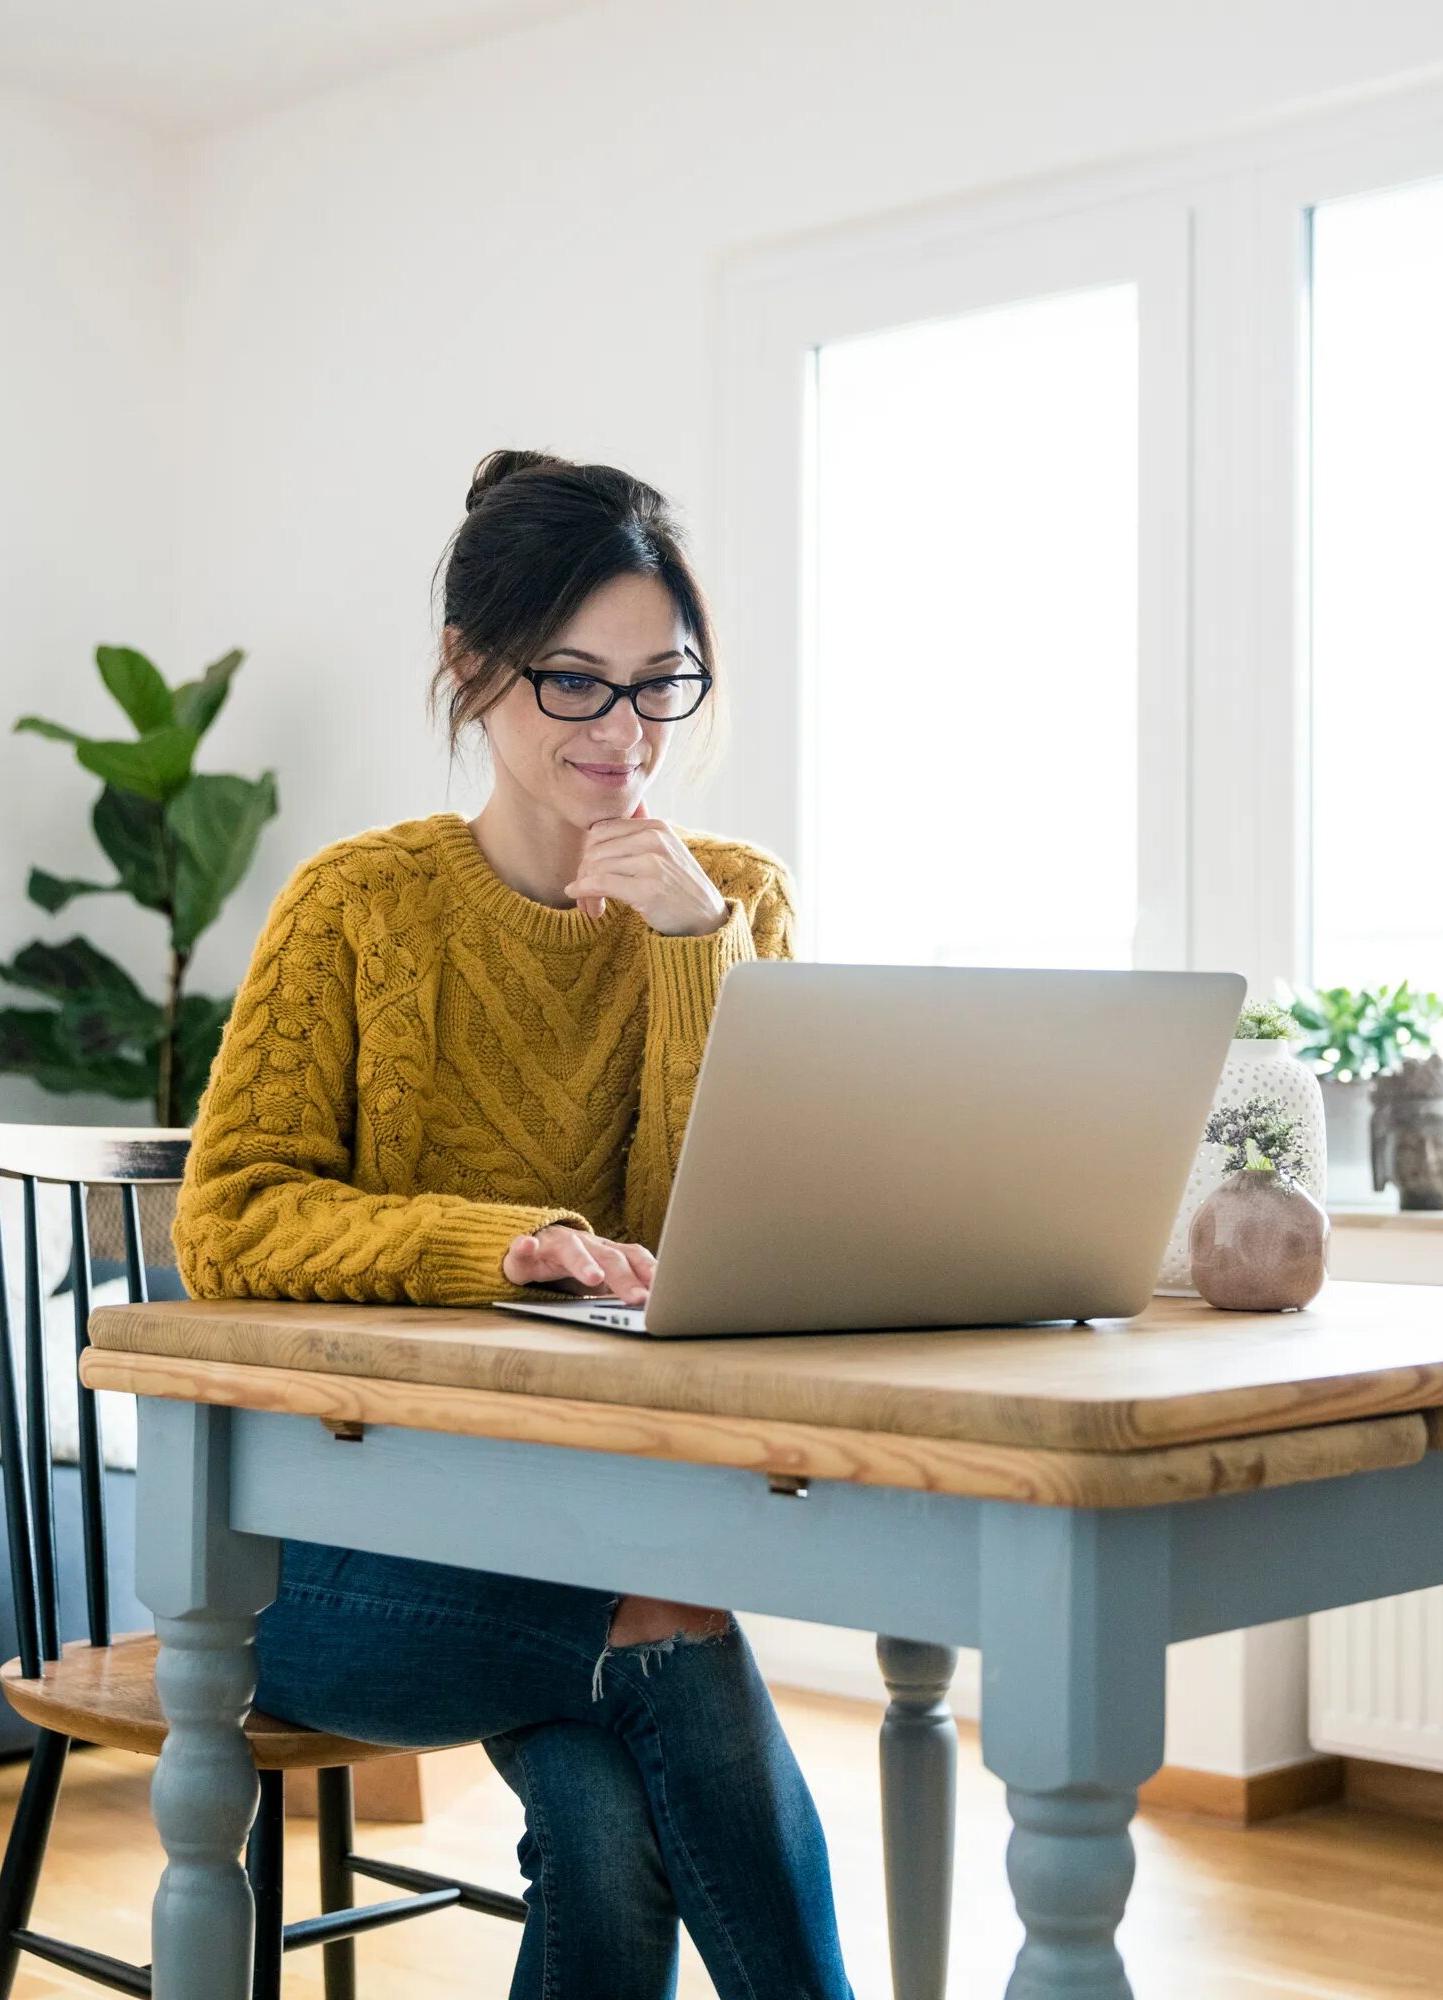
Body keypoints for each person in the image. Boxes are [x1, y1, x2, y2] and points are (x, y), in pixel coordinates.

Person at [171, 449, 850, 2000]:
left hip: (599, 1519)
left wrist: (691, 951)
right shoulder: (359, 907)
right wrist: (497, 1245)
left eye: (660, 687)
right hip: (339, 1557)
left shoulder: (733, 900)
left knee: (609, 1834)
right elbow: (232, 1216)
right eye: (575, 684)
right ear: (473, 675)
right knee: (677, 1624)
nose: (626, 735)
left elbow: (734, 1241)